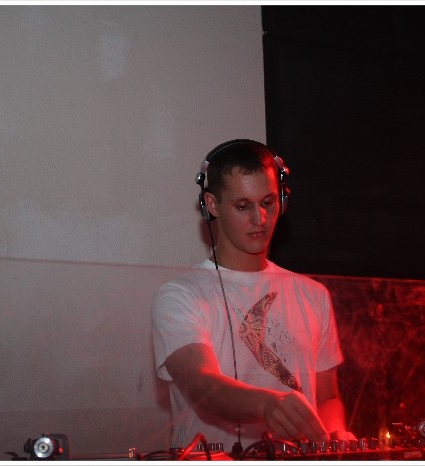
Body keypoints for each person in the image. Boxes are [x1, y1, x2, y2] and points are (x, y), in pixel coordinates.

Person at [151, 139, 355, 452]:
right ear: (212, 205)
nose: (259, 218)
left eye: (268, 202)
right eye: (243, 206)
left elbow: (327, 397)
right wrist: (268, 406)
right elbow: (203, 386)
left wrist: (335, 434)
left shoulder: (314, 295)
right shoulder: (179, 297)